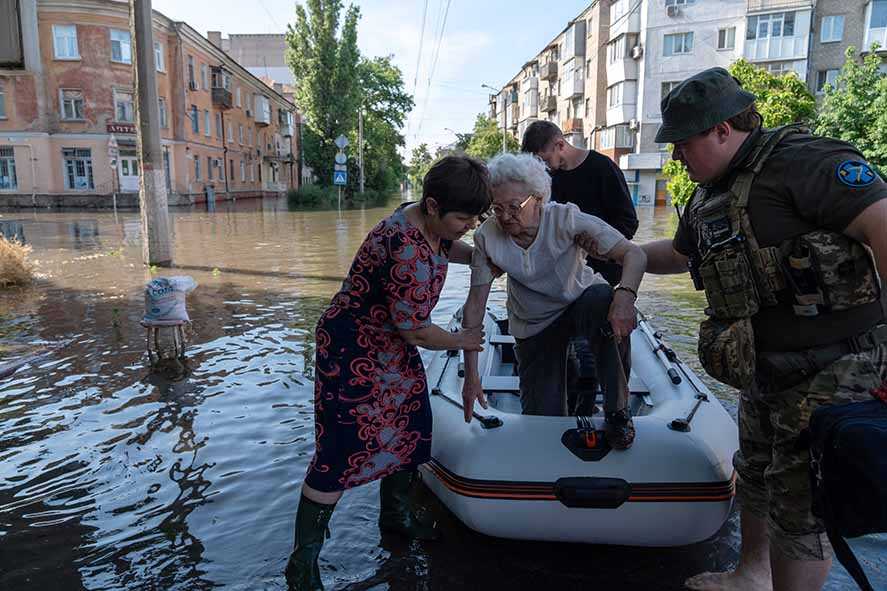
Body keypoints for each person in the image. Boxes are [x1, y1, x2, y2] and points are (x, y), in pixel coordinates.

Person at [642, 67, 887, 591]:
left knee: (800, 503)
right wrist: (619, 258)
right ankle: (749, 575)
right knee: (755, 474)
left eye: (683, 144)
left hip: (836, 369)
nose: (677, 156)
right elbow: (682, 255)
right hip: (762, 371)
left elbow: (882, 224)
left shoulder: (806, 162)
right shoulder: (709, 195)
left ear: (723, 130)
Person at [285, 156, 491, 591]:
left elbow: (449, 246)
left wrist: (481, 257)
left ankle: (396, 516)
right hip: (352, 351)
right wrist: (463, 340)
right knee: (338, 454)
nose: (469, 226)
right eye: (463, 218)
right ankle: (302, 564)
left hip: (389, 346)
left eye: (476, 219)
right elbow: (416, 330)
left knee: (414, 425)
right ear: (433, 205)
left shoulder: (424, 221)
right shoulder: (406, 250)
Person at [460, 152, 647, 449]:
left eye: (514, 207)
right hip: (533, 323)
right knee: (542, 421)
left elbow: (634, 254)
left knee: (603, 297)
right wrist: (471, 377)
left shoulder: (564, 217)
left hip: (581, 303)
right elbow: (474, 307)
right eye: (497, 209)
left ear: (538, 198)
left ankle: (618, 412)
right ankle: (565, 379)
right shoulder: (487, 236)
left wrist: (625, 297)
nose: (506, 217)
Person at [522, 121, 639, 414]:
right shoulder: (547, 179)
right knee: (572, 354)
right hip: (561, 280)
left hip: (603, 276)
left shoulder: (602, 168)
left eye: (545, 160)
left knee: (608, 343)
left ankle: (619, 408)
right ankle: (577, 407)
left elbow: (628, 222)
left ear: (561, 144)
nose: (544, 170)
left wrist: (599, 242)